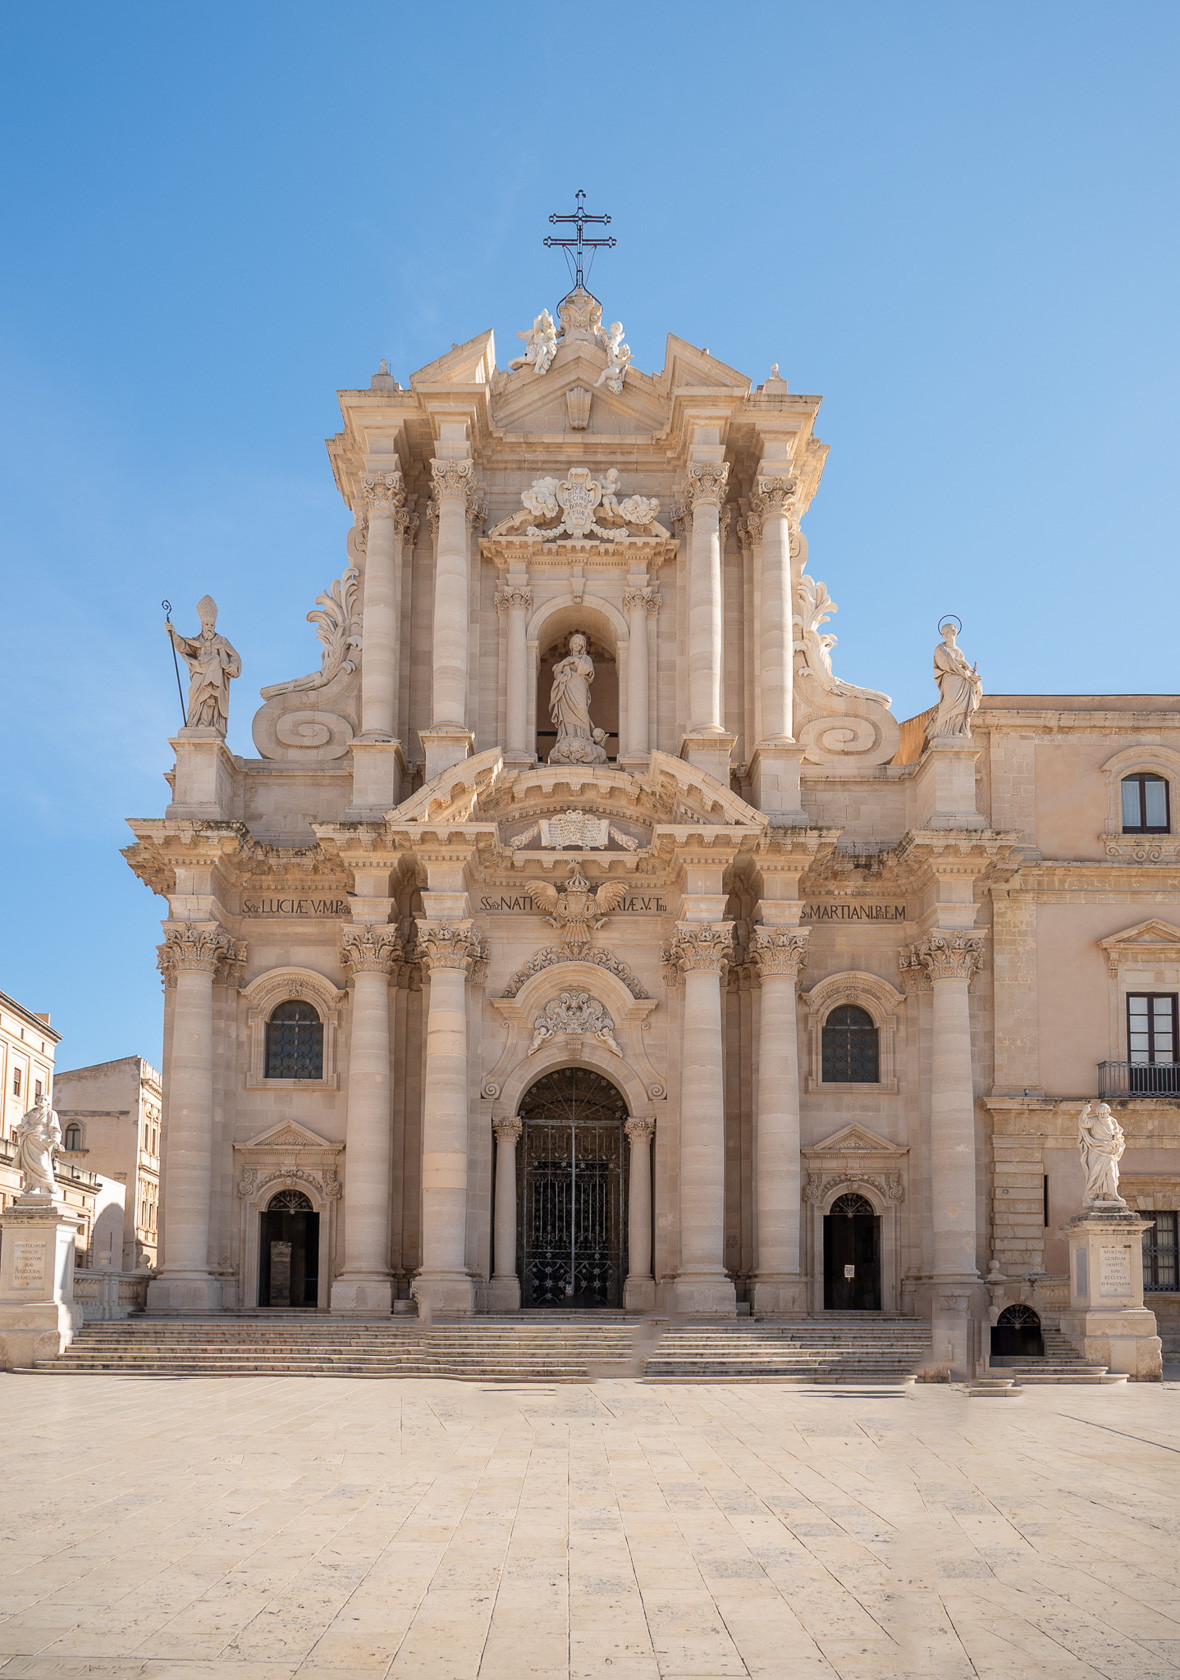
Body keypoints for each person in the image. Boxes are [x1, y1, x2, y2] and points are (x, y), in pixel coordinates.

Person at [166, 596, 241, 733]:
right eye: (207, 624)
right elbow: (183, 646)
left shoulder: (222, 641)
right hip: (199, 672)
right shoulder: (197, 641)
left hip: (215, 675)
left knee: (211, 697)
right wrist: (173, 634)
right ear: (202, 625)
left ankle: (206, 722)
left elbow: (235, 657)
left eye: (211, 625)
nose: (209, 628)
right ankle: (194, 720)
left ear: (214, 626)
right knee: (194, 696)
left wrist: (232, 665)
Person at [548, 633, 608, 765]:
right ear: (571, 645)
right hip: (566, 687)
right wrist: (564, 664)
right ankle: (568, 735)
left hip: (580, 685)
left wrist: (573, 661)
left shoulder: (586, 659)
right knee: (567, 713)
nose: (576, 646)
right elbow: (557, 672)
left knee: (582, 708)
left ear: (582, 646)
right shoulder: (566, 660)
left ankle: (584, 735)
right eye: (574, 643)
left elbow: (587, 670)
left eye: (579, 644)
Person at [927, 621, 982, 739]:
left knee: (962, 705)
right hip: (950, 678)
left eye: (947, 632)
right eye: (943, 633)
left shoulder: (958, 651)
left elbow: (964, 667)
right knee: (950, 700)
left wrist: (970, 673)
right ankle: (943, 730)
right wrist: (961, 664)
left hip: (962, 680)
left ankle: (957, 729)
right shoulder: (940, 649)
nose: (945, 635)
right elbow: (945, 663)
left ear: (954, 632)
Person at [1078, 1100, 1127, 1205]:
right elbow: (1083, 1123)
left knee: (1110, 1171)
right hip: (1096, 1150)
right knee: (1096, 1174)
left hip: (1109, 1151)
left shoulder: (1113, 1121)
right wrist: (1084, 1113)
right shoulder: (1094, 1120)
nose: (1102, 1115)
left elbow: (1118, 1135)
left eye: (1104, 1113)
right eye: (1100, 1113)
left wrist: (1116, 1144)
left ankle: (1113, 1194)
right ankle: (1097, 1195)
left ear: (1108, 1112)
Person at [14, 1094, 62, 1200]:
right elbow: (24, 1125)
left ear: (48, 1103)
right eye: (40, 1098)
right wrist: (22, 1129)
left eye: (44, 1099)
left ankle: (51, 1185)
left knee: (41, 1164)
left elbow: (55, 1129)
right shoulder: (31, 1113)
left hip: (42, 1141)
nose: (41, 1100)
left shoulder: (51, 1113)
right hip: (29, 1139)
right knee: (30, 1165)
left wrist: (55, 1140)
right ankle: (35, 1186)